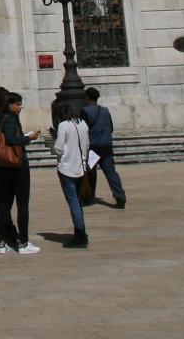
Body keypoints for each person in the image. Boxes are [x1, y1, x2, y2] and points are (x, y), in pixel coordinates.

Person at [0, 91, 40, 255]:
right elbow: (10, 139)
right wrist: (28, 138)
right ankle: (23, 243)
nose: (20, 107)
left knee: (4, 204)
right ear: (9, 104)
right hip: (17, 164)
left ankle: (2, 242)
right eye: (17, 104)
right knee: (22, 205)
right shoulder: (10, 119)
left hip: (3, 166)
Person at [53, 100, 91, 248]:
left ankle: (80, 234)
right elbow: (86, 145)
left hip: (67, 168)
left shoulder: (63, 125)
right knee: (78, 201)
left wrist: (53, 145)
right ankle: (81, 230)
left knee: (73, 201)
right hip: (81, 167)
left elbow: (59, 148)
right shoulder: (83, 123)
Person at [81, 87, 125, 208]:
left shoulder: (85, 111)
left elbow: (83, 130)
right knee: (111, 172)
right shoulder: (105, 111)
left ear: (87, 98)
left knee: (90, 172)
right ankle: (120, 196)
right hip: (106, 145)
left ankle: (88, 197)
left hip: (94, 147)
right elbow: (111, 127)